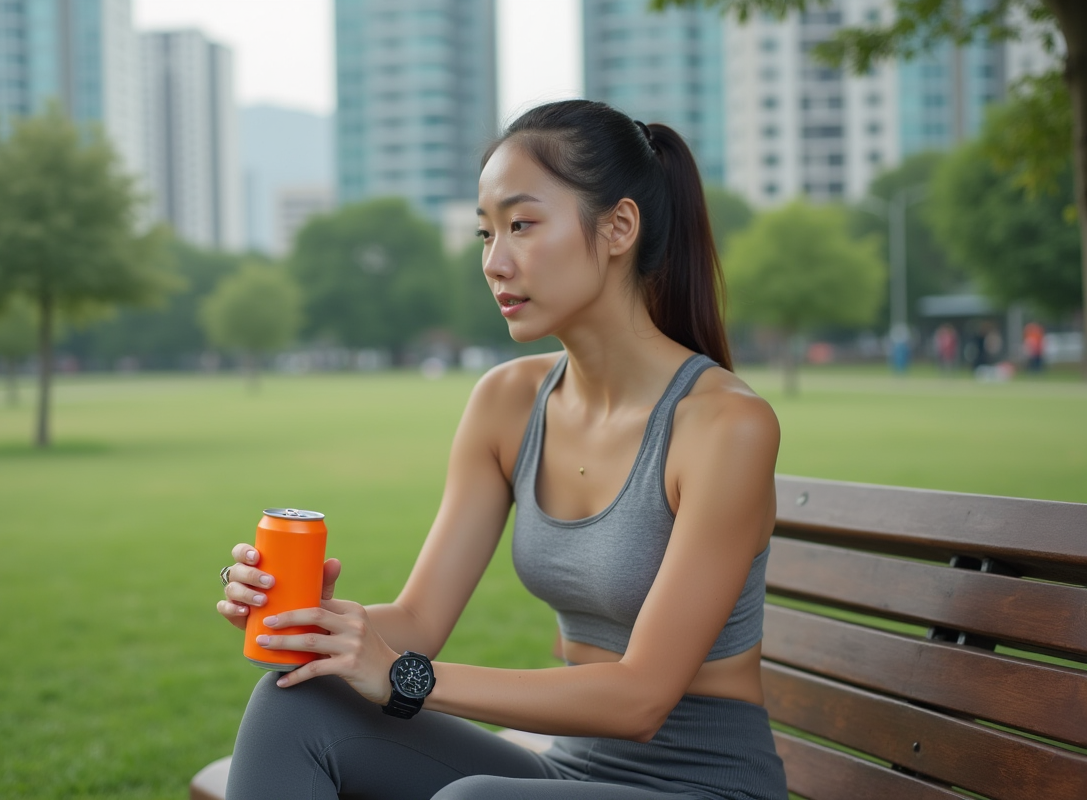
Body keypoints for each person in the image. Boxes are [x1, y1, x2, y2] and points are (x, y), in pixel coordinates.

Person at [216, 100, 788, 800]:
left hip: (705, 786)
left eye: (522, 225)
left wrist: (403, 678)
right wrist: (318, 625)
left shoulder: (724, 426)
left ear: (619, 227)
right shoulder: (508, 403)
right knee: (292, 704)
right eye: (487, 233)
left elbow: (641, 699)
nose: (495, 262)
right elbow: (420, 622)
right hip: (569, 772)